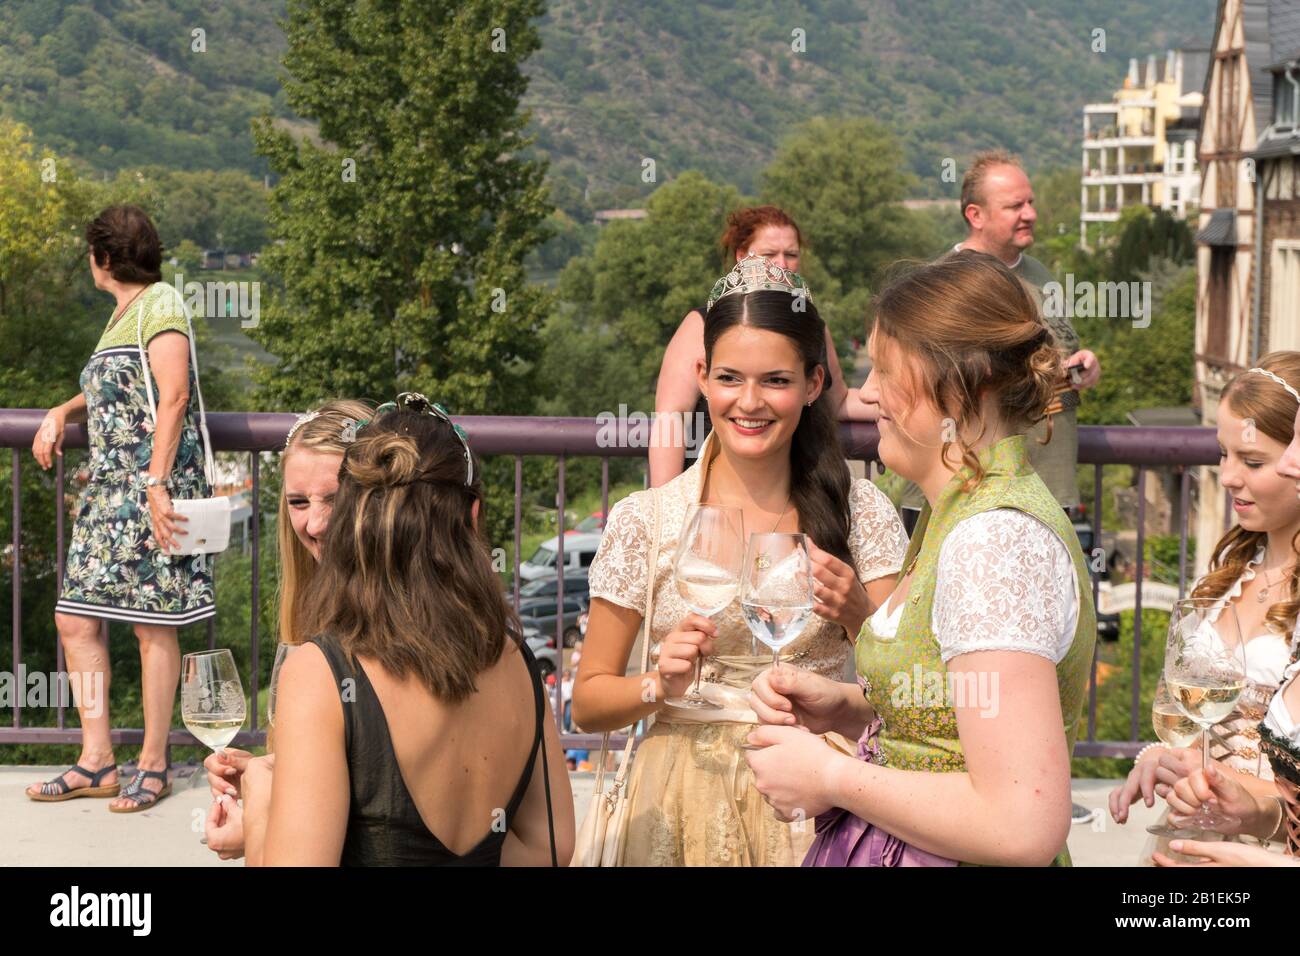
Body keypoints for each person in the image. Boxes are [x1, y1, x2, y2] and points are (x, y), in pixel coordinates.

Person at [745, 250, 1098, 866]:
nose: (867, 392)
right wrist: (853, 709)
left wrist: (832, 778)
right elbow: (956, 727)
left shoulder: (996, 543)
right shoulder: (954, 513)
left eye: (884, 369)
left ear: (961, 383)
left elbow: (1023, 824)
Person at [573, 255, 907, 866]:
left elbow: (906, 695)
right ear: (701, 377)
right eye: (730, 378)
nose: (749, 403)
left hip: (815, 801)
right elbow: (588, 705)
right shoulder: (646, 520)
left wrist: (860, 614)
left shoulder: (861, 511)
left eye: (775, 381)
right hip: (674, 805)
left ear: (813, 385)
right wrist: (658, 683)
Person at [244, 395, 574, 865]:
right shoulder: (515, 659)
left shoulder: (322, 673)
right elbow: (551, 850)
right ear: (472, 515)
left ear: (355, 517)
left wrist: (263, 803)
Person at [27, 205, 214, 812]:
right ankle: (97, 759)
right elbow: (113, 389)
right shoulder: (124, 315)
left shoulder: (162, 304)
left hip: (149, 489)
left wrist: (157, 484)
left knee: (152, 624)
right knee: (75, 619)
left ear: (101, 259)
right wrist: (61, 411)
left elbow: (174, 394)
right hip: (110, 492)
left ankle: (154, 763)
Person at [1108, 354, 1300, 860]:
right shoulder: (1225, 574)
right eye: (1222, 454)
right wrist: (1160, 760)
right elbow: (1187, 726)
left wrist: (1235, 797)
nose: (1228, 476)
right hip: (1192, 840)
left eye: (1252, 461)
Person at [202, 398, 373, 860]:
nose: (315, 523)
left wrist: (262, 809)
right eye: (298, 502)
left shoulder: (379, 630)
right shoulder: (319, 609)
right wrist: (271, 773)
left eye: (336, 499)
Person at [896, 152, 1100, 534]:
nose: (1030, 214)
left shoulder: (1040, 272)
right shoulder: (944, 284)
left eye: (1031, 202)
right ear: (976, 215)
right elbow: (928, 384)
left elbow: (1059, 350)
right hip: (973, 493)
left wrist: (1082, 365)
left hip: (1046, 488)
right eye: (1014, 206)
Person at [649, 206, 879, 487]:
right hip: (714, 490)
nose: (782, 265)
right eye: (770, 254)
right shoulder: (702, 324)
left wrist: (914, 405)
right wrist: (664, 507)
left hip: (804, 487)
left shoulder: (813, 326)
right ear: (741, 257)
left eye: (791, 255)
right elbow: (671, 418)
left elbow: (839, 401)